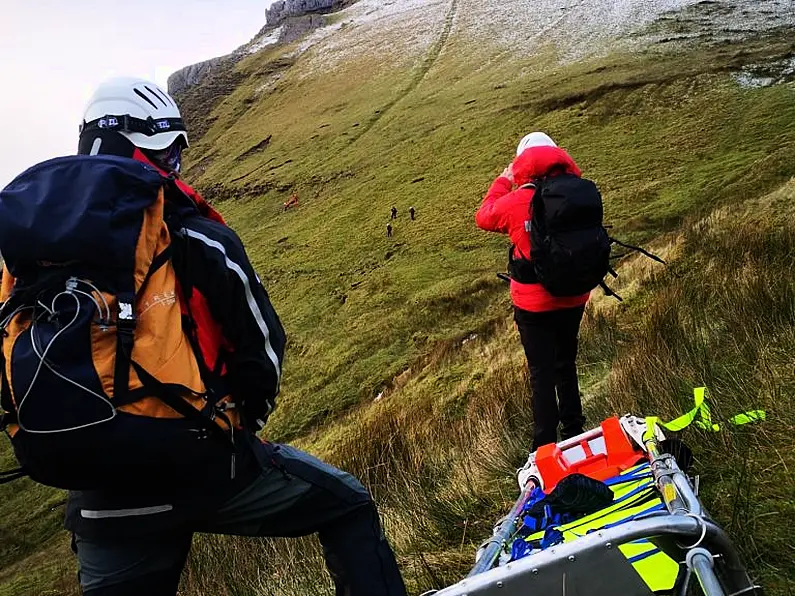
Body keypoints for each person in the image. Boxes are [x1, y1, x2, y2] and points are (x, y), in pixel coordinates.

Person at [2, 77, 407, 596]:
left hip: (93, 487)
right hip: (201, 464)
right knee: (348, 505)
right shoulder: (192, 235)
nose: (174, 165)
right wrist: (241, 429)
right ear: (137, 148)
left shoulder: (23, 255)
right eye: (167, 152)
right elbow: (261, 347)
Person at [475, 132, 590, 451]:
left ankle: (544, 446)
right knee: (565, 361)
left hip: (533, 304)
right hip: (574, 295)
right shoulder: (578, 193)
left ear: (522, 163)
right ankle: (576, 431)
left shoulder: (514, 201)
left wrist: (503, 180)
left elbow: (483, 217)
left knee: (541, 373)